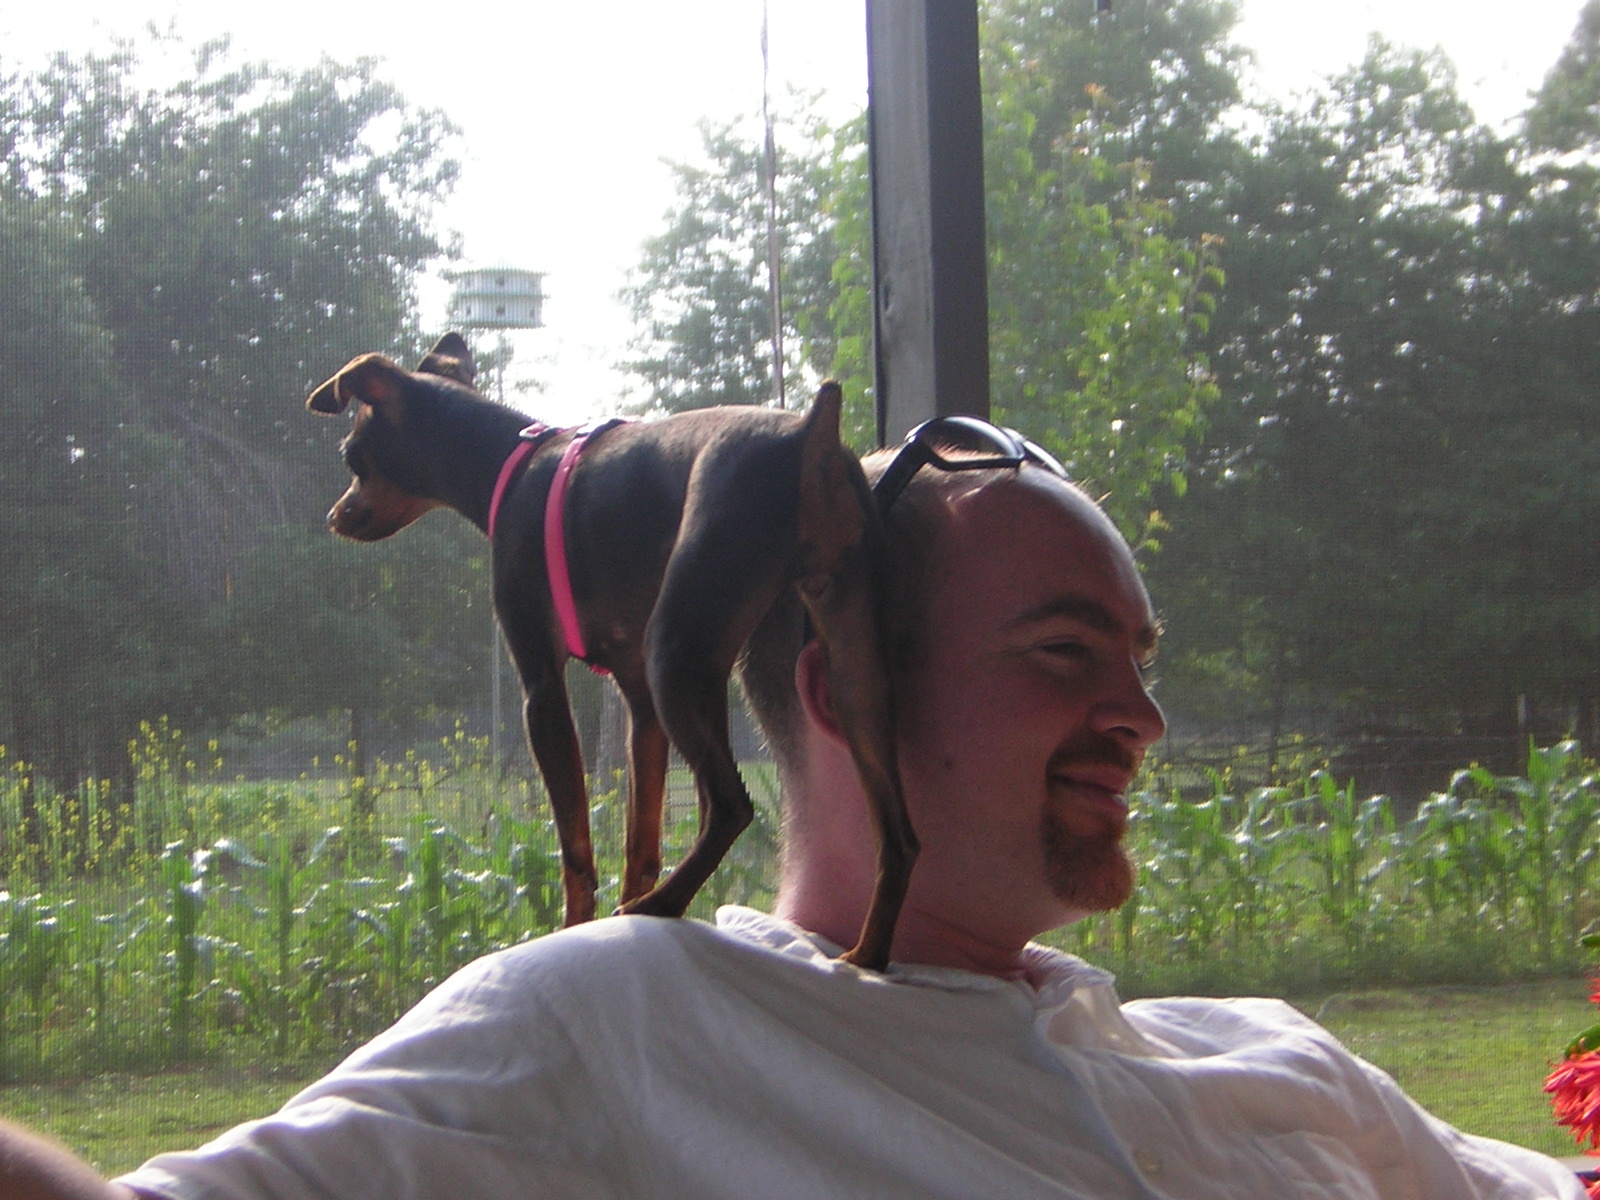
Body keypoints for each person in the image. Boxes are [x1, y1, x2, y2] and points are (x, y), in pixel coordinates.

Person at [0, 421, 1583, 1200]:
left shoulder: (1268, 1055)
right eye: (1065, 653)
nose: (1142, 717)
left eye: (1141, 661)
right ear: (842, 691)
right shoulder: (631, 1020)